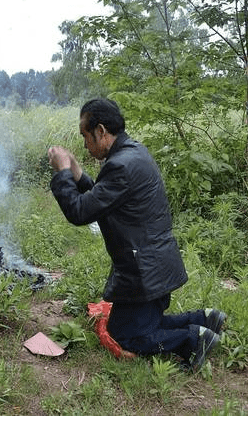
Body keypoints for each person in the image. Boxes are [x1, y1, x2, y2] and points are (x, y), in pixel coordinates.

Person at [47, 98, 226, 370]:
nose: (84, 144)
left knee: (126, 336)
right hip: (155, 264)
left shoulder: (121, 165)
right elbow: (103, 197)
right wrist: (76, 172)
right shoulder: (132, 153)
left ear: (101, 131)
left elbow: (80, 212)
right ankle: (205, 319)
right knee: (141, 325)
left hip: (144, 270)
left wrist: (62, 173)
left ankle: (194, 339)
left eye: (86, 135)